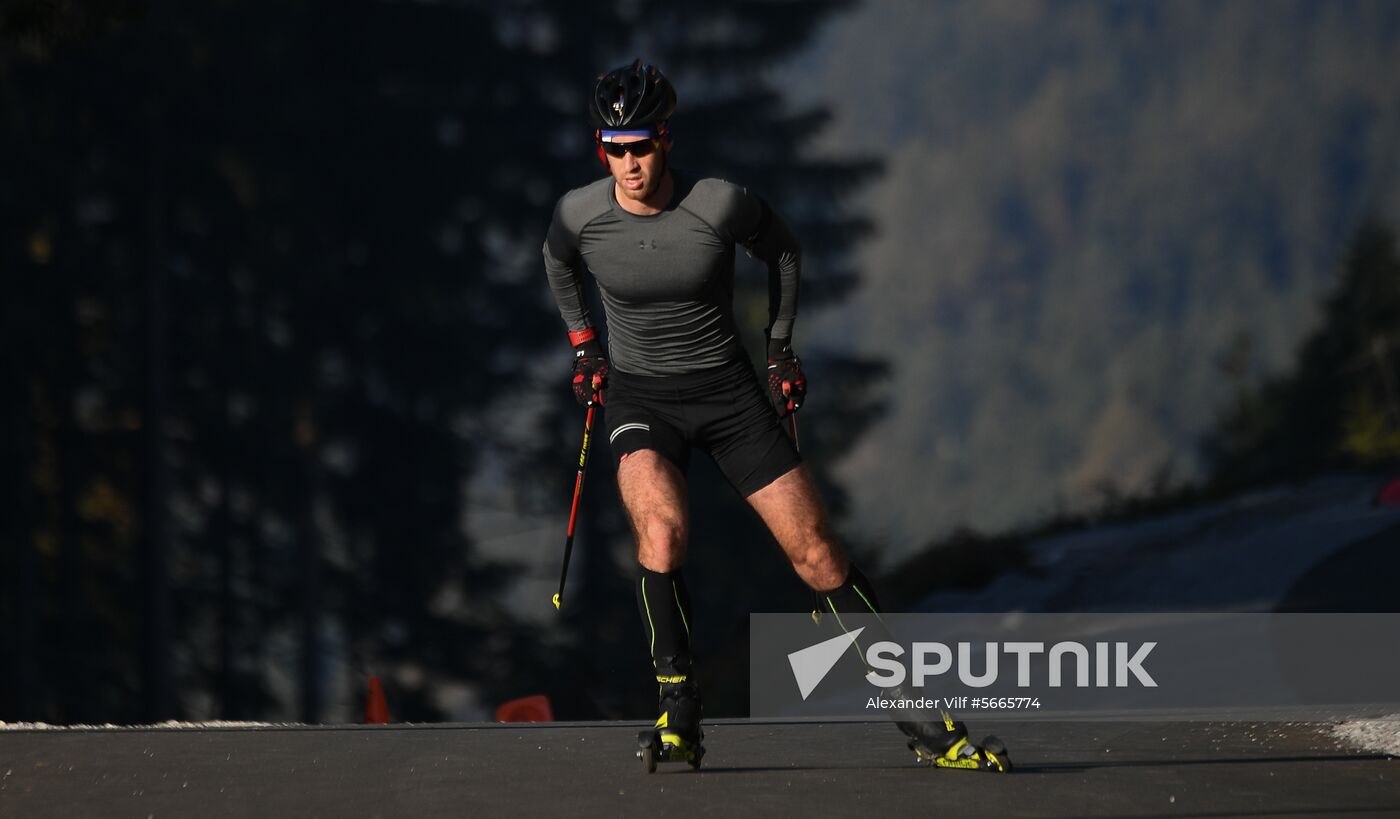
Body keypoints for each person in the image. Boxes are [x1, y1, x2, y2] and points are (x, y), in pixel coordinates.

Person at [542, 59, 1009, 772]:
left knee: (817, 553)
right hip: (642, 398)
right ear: (600, 150)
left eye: (640, 146)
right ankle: (679, 713)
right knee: (661, 534)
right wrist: (584, 347)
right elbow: (556, 259)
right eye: (615, 149)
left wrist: (780, 348)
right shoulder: (581, 212)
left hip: (728, 396)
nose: (629, 164)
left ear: (665, 140)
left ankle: (921, 716)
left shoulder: (717, 205)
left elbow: (783, 249)